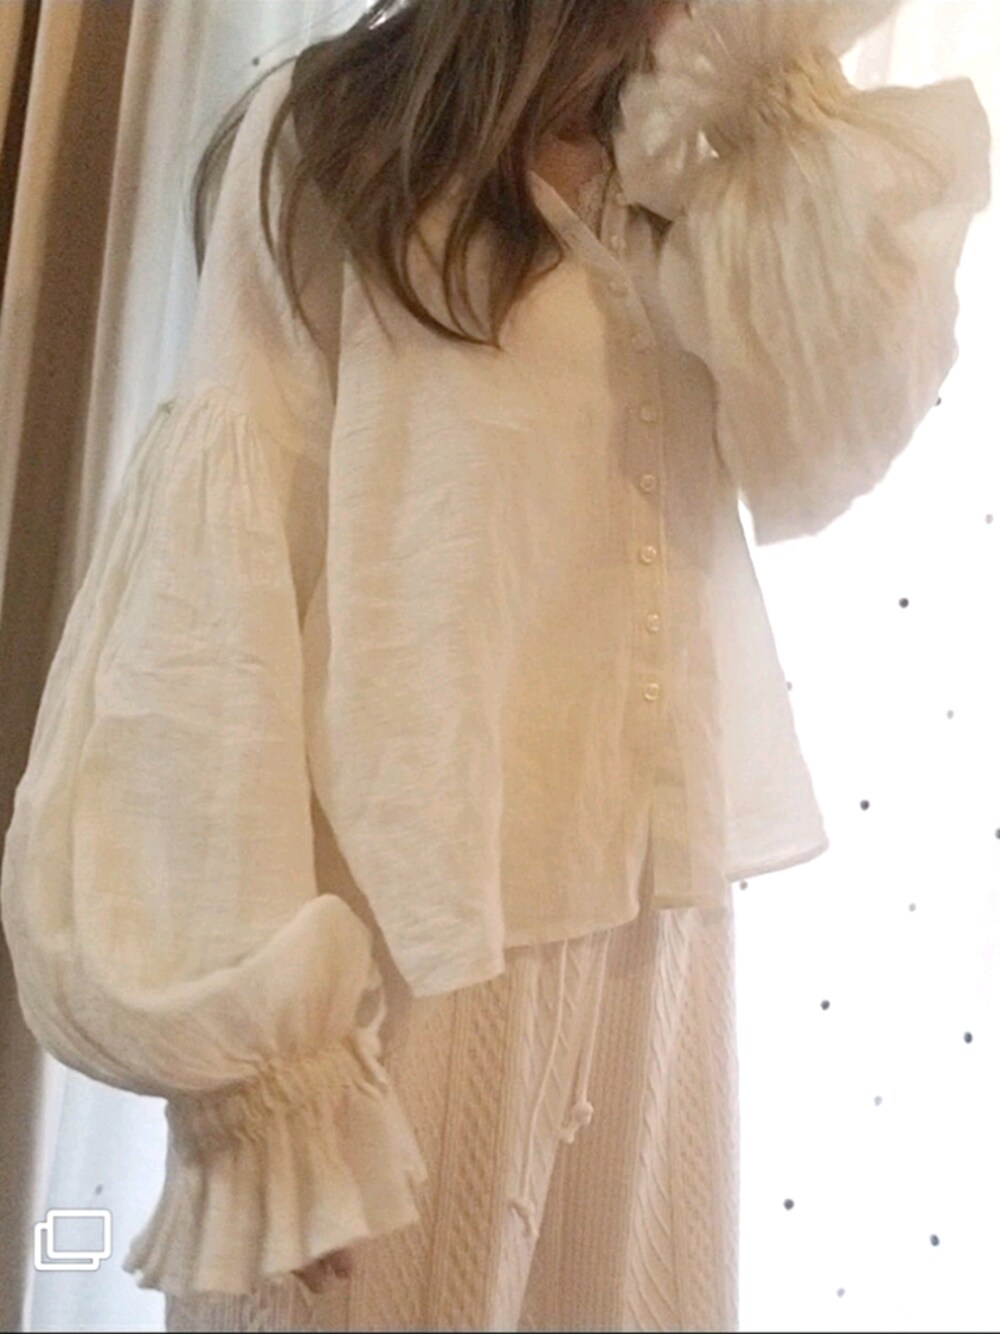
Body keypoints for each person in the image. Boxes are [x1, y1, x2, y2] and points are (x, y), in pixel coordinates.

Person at [1, 0, 990, 1330]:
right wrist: (259, 1060)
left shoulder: (688, 162)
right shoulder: (337, 137)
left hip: (652, 928)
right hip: (412, 946)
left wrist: (784, 127)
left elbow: (831, 439)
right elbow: (217, 580)